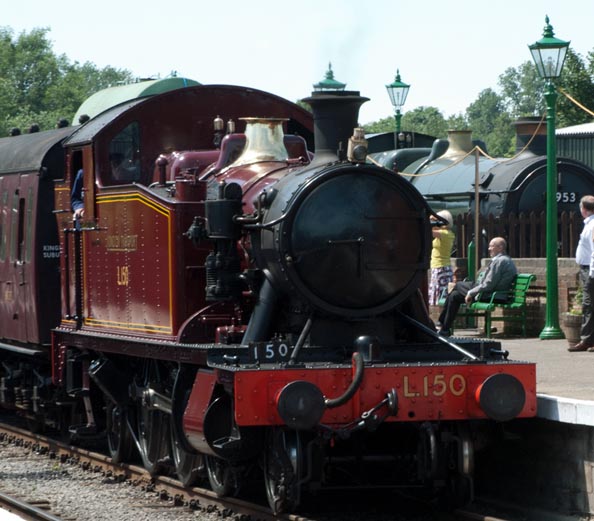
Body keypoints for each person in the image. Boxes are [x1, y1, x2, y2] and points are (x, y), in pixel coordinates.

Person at [437, 237, 517, 336]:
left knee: (457, 285)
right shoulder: (500, 260)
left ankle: (441, 323)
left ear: (500, 248)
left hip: (492, 295)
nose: (489, 249)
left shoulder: (501, 261)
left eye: (491, 246)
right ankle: (444, 328)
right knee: (454, 295)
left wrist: (471, 292)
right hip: (488, 292)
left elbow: (489, 284)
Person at [568, 195, 594, 352]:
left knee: (589, 304)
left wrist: (592, 272)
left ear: (583, 209)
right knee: (589, 305)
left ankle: (587, 339)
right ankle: (588, 339)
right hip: (587, 268)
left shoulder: (592, 225)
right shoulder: (589, 224)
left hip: (590, 269)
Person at [428, 210, 455, 306]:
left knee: (441, 298)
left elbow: (427, 230)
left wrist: (431, 219)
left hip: (441, 268)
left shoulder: (445, 233)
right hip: (438, 267)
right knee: (438, 298)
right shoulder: (445, 233)